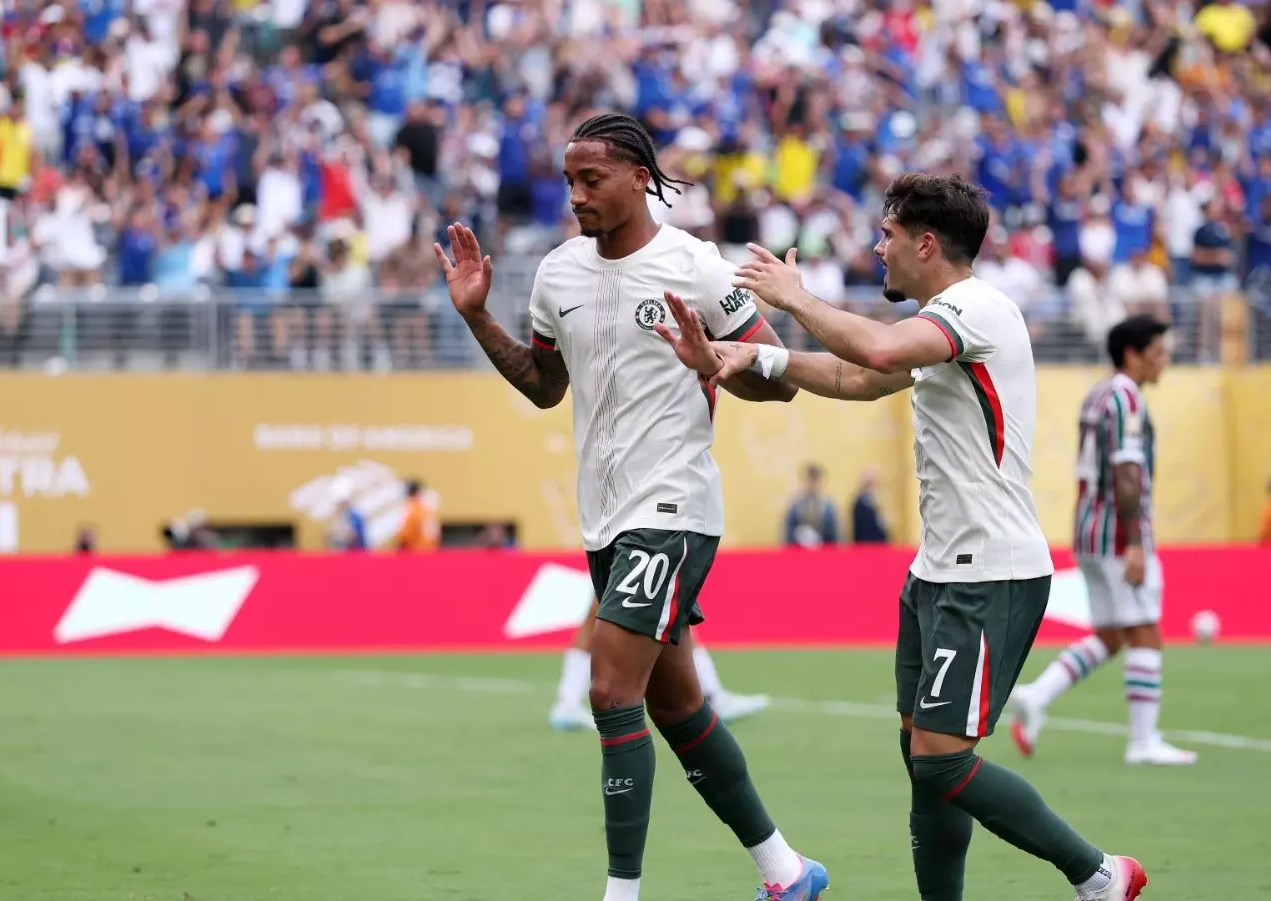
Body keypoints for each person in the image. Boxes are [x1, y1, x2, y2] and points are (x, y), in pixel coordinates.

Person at [657, 173, 1145, 901]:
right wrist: (754, 358)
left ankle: (1100, 875)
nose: (877, 249)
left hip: (992, 572)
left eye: (887, 235)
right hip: (937, 571)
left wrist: (795, 299)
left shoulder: (977, 308)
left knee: (943, 761)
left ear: (926, 244)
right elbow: (856, 378)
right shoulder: (939, 323)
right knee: (923, 756)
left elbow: (880, 354)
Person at [433, 112, 828, 901]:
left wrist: (717, 360)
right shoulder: (558, 274)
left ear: (640, 178)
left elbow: (779, 377)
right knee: (677, 706)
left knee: (610, 692)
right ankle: (786, 872)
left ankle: (622, 894)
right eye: (569, 181)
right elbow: (544, 387)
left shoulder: (696, 267)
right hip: (605, 517)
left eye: (592, 179)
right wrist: (477, 316)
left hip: (674, 505)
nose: (576, 195)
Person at [1008, 315, 1198, 767]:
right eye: (1158, 352)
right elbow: (1127, 472)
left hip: (1089, 528)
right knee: (1145, 629)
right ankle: (1144, 741)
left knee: (1111, 634)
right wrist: (1135, 542)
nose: (1164, 361)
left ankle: (1037, 695)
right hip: (1118, 533)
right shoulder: (1127, 398)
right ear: (1132, 354)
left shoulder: (1098, 393)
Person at [549, 605, 770, 731]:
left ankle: (568, 702)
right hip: (631, 544)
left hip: (614, 543)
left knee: (597, 613)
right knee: (674, 604)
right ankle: (713, 696)